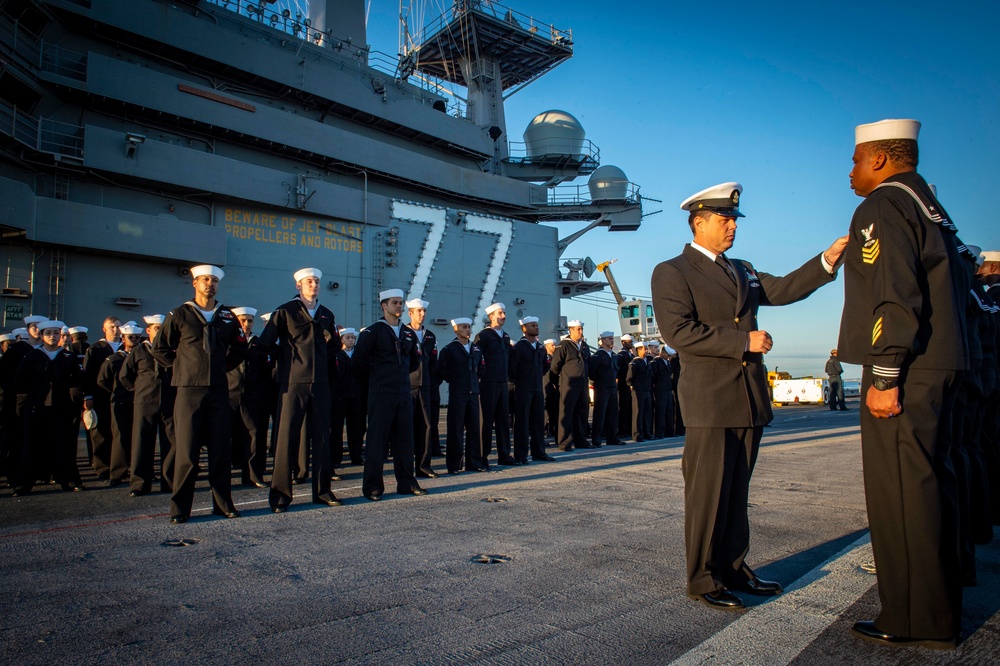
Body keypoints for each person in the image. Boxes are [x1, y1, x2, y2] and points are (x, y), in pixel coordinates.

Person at [651, 181, 845, 611]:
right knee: (707, 494)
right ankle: (703, 578)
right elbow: (678, 332)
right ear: (698, 222)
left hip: (747, 399)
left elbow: (784, 289)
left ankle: (734, 567)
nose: (732, 227)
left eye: (734, 220)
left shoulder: (742, 268)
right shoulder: (672, 271)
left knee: (737, 492)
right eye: (724, 220)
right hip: (710, 400)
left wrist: (827, 260)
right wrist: (743, 342)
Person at [838, 119, 967, 649]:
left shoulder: (883, 206)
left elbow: (894, 292)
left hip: (905, 369)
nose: (850, 173)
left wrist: (885, 374)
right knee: (931, 485)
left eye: (854, 161)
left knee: (900, 493)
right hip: (940, 364)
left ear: (878, 159)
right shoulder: (931, 208)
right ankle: (937, 610)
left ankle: (911, 619)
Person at [151, 264, 247, 524]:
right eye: (205, 279)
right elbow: (160, 348)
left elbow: (240, 348)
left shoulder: (226, 315)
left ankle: (223, 504)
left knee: (220, 451)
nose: (210, 284)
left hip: (218, 390)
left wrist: (221, 368)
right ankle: (180, 508)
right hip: (188, 391)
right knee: (187, 452)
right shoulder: (180, 314)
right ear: (194, 283)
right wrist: (182, 368)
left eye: (214, 280)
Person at [258, 268, 342, 511]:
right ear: (298, 286)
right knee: (286, 439)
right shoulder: (285, 311)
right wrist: (286, 360)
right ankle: (280, 496)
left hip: (320, 384)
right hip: (293, 383)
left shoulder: (326, 314)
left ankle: (323, 491)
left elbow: (335, 346)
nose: (313, 284)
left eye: (316, 281)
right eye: (308, 281)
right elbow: (264, 344)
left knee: (322, 438)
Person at [353, 289, 427, 500]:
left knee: (405, 441)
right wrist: (378, 378)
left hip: (403, 392)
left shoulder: (407, 333)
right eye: (395, 303)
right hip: (381, 393)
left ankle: (407, 483)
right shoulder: (373, 332)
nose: (399, 306)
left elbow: (414, 361)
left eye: (401, 303)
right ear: (384, 306)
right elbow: (358, 363)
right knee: (377, 442)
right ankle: (373, 487)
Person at [11, 320, 85, 495]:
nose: (53, 336)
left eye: (56, 333)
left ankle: (68, 479)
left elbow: (77, 382)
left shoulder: (68, 357)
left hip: (61, 408)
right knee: (31, 445)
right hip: (37, 408)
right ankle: (24, 483)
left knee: (63, 445)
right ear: (42, 335)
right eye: (48, 333)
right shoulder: (32, 357)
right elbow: (20, 382)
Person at [119, 314, 174, 496]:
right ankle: (140, 484)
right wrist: (139, 390)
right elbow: (125, 375)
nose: (159, 332)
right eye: (156, 328)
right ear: (148, 331)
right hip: (145, 402)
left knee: (171, 443)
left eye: (162, 329)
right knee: (142, 441)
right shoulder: (139, 351)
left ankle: (170, 482)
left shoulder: (172, 350)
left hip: (169, 401)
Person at [436, 318, 487, 473]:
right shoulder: (449, 349)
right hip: (458, 393)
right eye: (464, 327)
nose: (468, 330)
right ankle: (454, 465)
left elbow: (482, 368)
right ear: (456, 330)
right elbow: (441, 370)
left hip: (473, 393)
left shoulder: (476, 349)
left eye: (469, 327)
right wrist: (456, 380)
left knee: (474, 429)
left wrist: (476, 380)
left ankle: (474, 463)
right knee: (456, 430)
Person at [97, 321, 143, 487]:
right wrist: (116, 391)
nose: (135, 340)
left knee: (139, 437)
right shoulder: (114, 359)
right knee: (120, 438)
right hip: (121, 401)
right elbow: (102, 380)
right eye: (131, 337)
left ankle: (141, 471)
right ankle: (117, 473)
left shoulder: (143, 356)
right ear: (123, 339)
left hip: (139, 401)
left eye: (138, 337)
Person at [82, 316, 123, 479]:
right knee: (100, 433)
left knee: (119, 432)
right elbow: (87, 374)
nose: (115, 329)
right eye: (112, 326)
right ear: (104, 329)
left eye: (118, 326)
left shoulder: (125, 347)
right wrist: (88, 395)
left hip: (120, 396)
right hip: (100, 396)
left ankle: (119, 466)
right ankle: (102, 467)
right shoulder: (95, 349)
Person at [474, 302, 514, 465]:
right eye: (500, 313)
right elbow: (476, 357)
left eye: (504, 313)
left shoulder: (505, 337)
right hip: (488, 383)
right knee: (486, 420)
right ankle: (482, 456)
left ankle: (504, 454)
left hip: (502, 382)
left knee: (503, 420)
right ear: (491, 317)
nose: (503, 316)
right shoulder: (483, 336)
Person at [510, 316, 553, 462]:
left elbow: (546, 365)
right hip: (523, 388)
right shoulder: (519, 347)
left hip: (537, 387)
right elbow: (512, 368)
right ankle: (521, 454)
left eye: (536, 325)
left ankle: (539, 452)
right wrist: (522, 378)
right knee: (522, 422)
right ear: (524, 328)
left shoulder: (540, 347)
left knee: (538, 421)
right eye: (532, 325)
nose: (536, 327)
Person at [406, 298, 439, 478]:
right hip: (408, 386)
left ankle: (424, 465)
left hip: (425, 386)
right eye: (418, 311)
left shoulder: (430, 336)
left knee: (426, 425)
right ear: (410, 313)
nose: (422, 314)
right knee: (406, 426)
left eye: (423, 311)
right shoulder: (404, 333)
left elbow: (433, 361)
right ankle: (405, 465)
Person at [549, 321, 592, 451]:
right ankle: (564, 442)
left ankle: (580, 440)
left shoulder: (584, 346)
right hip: (569, 384)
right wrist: (557, 382)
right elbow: (555, 366)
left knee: (581, 412)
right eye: (578, 329)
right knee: (566, 413)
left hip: (582, 383)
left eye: (581, 329)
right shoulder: (564, 346)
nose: (580, 331)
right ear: (571, 330)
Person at [331, 328, 365, 467]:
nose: (351, 340)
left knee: (355, 428)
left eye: (353, 338)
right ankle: (335, 458)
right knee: (336, 428)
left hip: (355, 396)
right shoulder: (336, 355)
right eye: (348, 337)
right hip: (339, 396)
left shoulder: (358, 355)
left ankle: (356, 456)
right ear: (341, 339)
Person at [589, 331, 621, 447]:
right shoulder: (598, 355)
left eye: (612, 338)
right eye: (608, 339)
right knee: (600, 413)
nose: (611, 341)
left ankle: (612, 437)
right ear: (602, 341)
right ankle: (596, 439)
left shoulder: (613, 355)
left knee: (613, 413)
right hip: (602, 387)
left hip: (612, 387)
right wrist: (600, 380)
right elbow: (592, 372)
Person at [626, 340, 652, 442]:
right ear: (638, 350)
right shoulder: (635, 362)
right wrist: (631, 385)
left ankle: (647, 433)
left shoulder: (646, 361)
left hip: (646, 389)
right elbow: (629, 377)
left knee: (647, 412)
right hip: (638, 390)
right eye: (644, 349)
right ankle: (637, 434)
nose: (646, 351)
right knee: (638, 413)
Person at [651, 344, 676, 439]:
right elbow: (653, 376)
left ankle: (669, 431)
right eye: (668, 355)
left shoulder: (667, 362)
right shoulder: (656, 362)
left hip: (667, 389)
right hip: (660, 389)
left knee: (669, 410)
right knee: (660, 411)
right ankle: (659, 432)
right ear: (663, 353)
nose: (669, 358)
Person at [617, 334, 635, 438]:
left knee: (629, 407)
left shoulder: (631, 355)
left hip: (630, 386)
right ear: (623, 343)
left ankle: (628, 428)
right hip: (623, 385)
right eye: (629, 342)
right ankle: (622, 430)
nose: (631, 344)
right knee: (623, 408)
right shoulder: (621, 355)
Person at [543, 338, 559, 438]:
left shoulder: (554, 358)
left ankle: (552, 429)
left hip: (553, 387)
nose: (554, 347)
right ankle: (543, 430)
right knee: (545, 412)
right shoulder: (545, 357)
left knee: (553, 410)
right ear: (547, 346)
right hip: (546, 385)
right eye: (552, 345)